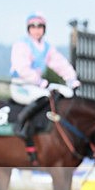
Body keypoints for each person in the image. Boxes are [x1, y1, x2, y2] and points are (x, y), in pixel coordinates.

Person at [10, 12, 81, 163]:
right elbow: (22, 69)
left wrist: (72, 79)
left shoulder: (46, 48)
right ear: (28, 29)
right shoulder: (21, 45)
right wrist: (38, 81)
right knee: (44, 96)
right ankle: (21, 124)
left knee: (64, 93)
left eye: (40, 26)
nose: (37, 30)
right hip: (22, 85)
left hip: (38, 85)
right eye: (33, 27)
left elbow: (60, 63)